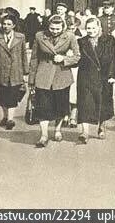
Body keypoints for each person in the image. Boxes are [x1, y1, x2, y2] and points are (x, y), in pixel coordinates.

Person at [28, 14, 80, 147]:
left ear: (63, 27)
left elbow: (77, 56)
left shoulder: (70, 36)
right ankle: (44, 135)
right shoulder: (40, 36)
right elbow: (34, 58)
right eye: (52, 28)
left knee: (61, 106)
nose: (55, 31)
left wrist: (64, 59)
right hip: (43, 74)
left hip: (62, 75)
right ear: (48, 26)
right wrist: (31, 79)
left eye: (58, 29)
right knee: (42, 106)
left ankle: (57, 129)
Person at [76, 17, 115, 142]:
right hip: (86, 76)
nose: (91, 31)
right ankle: (85, 132)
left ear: (99, 28)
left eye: (94, 28)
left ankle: (101, 127)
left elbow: (114, 59)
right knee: (85, 103)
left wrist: (112, 75)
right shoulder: (81, 42)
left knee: (103, 103)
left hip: (104, 76)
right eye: (88, 28)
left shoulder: (109, 40)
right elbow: (77, 57)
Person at [0, 12, 28, 129]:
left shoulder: (21, 37)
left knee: (13, 95)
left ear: (14, 25)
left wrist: (25, 72)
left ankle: (10, 119)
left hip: (16, 71)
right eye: (4, 24)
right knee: (2, 96)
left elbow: (24, 54)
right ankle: (5, 116)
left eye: (9, 24)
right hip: (0, 71)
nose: (6, 26)